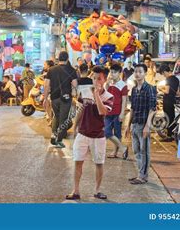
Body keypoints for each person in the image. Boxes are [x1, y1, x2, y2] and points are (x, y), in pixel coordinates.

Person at [65, 66, 113, 201]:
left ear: (104, 80)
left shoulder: (109, 96)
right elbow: (80, 110)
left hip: (98, 136)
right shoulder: (84, 92)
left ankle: (97, 191)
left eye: (99, 78)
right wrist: (75, 127)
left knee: (99, 163)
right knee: (77, 162)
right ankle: (76, 190)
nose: (96, 81)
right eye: (94, 78)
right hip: (83, 133)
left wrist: (96, 95)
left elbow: (103, 112)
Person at [126, 64, 157, 185]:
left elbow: (152, 108)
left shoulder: (149, 88)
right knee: (136, 151)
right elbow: (132, 108)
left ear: (145, 73)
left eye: (140, 72)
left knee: (144, 151)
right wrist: (128, 125)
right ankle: (140, 174)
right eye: (136, 72)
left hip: (144, 124)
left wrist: (147, 126)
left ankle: (143, 176)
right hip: (134, 124)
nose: (137, 74)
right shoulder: (134, 89)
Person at [44, 51, 78, 149]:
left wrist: (45, 98)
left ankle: (53, 136)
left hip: (54, 97)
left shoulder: (51, 69)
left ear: (58, 58)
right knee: (63, 119)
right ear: (67, 59)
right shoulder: (71, 70)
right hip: (66, 98)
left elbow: (46, 85)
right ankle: (58, 140)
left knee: (56, 116)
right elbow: (75, 85)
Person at [105, 64, 129, 159]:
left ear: (119, 73)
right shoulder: (109, 83)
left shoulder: (123, 85)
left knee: (117, 133)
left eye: (115, 72)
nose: (112, 74)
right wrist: (106, 85)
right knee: (106, 132)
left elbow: (124, 100)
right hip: (108, 111)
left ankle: (115, 152)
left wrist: (122, 113)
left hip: (117, 112)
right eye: (111, 72)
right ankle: (123, 148)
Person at [159, 64, 180, 141]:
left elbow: (167, 91)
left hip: (167, 100)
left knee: (167, 117)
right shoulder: (176, 79)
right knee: (172, 117)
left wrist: (160, 89)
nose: (163, 75)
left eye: (163, 73)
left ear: (165, 71)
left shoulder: (168, 79)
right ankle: (172, 134)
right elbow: (177, 92)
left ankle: (169, 135)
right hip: (173, 100)